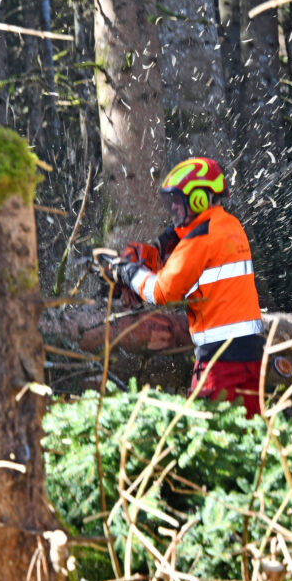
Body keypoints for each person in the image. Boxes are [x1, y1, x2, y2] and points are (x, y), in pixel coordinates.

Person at [106, 157, 265, 417]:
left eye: (179, 202)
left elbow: (161, 292)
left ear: (200, 199)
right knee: (250, 435)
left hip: (218, 360)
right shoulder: (231, 226)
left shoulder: (199, 239)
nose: (174, 209)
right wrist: (167, 240)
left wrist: (129, 272)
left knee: (206, 436)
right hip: (250, 356)